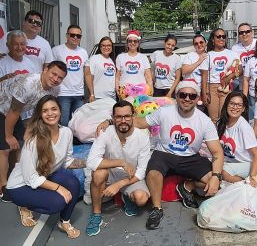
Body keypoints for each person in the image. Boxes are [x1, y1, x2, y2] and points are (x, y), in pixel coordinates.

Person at [97, 79, 224, 229]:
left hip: (190, 157)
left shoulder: (205, 121)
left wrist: (216, 176)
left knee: (213, 181)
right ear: (177, 96)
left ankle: (186, 186)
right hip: (164, 153)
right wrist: (110, 122)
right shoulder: (165, 112)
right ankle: (157, 209)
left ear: (197, 98)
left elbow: (217, 151)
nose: (187, 99)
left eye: (192, 96)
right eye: (183, 95)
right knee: (153, 173)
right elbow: (139, 122)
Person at [6, 95, 84, 238]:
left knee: (73, 182)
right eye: (45, 111)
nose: (50, 113)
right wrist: (59, 188)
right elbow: (31, 178)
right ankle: (23, 205)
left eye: (54, 109)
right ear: (40, 115)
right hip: (20, 186)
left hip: (42, 176)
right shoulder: (34, 141)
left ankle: (64, 222)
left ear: (60, 111)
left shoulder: (66, 132)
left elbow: (67, 161)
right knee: (58, 202)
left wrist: (90, 162)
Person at [0, 61, 67, 202]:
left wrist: (30, 131)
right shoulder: (29, 84)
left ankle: (18, 178)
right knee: (5, 148)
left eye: (60, 77)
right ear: (45, 69)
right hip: (3, 107)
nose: (56, 79)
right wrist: (8, 135)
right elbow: (13, 112)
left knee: (20, 145)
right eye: (54, 74)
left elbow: (39, 112)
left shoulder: (55, 89)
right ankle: (3, 186)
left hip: (13, 112)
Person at [86, 100, 151, 236]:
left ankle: (124, 195)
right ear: (113, 118)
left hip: (130, 177)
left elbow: (141, 171)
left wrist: (119, 184)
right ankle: (96, 214)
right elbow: (91, 162)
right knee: (98, 174)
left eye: (127, 116)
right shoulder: (105, 132)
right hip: (111, 173)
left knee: (141, 199)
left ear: (133, 116)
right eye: (119, 117)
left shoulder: (142, 137)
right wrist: (120, 162)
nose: (123, 120)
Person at [216, 91, 257, 187]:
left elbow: (256, 155)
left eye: (239, 105)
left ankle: (246, 186)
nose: (235, 107)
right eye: (232, 103)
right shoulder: (220, 123)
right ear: (226, 104)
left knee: (222, 170)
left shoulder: (244, 127)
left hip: (253, 164)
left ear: (243, 109)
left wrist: (252, 177)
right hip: (236, 162)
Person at [200, 28, 240, 123]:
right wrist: (204, 93)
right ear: (213, 39)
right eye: (218, 36)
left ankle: (224, 137)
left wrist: (230, 77)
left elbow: (240, 69)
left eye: (223, 36)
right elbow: (204, 76)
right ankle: (215, 137)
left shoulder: (232, 53)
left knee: (224, 116)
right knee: (213, 119)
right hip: (211, 88)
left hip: (226, 87)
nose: (221, 38)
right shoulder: (207, 55)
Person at [52, 24, 88, 126]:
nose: (75, 37)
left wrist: (88, 93)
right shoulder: (57, 50)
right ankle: (63, 142)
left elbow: (86, 74)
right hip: (62, 93)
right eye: (72, 35)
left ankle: (72, 141)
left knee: (77, 124)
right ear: (67, 35)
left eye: (78, 36)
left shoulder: (83, 52)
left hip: (78, 94)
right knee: (63, 123)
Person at [115, 30, 153, 97]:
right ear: (127, 43)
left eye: (135, 41)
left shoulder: (143, 57)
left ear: (138, 43)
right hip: (125, 92)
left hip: (141, 93)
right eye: (130, 41)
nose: (132, 43)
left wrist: (151, 89)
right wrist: (117, 88)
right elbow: (117, 76)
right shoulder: (120, 57)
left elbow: (148, 77)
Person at [84, 36, 116, 101]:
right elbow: (88, 76)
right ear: (100, 47)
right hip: (98, 96)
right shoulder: (94, 58)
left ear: (112, 47)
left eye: (108, 45)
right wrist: (92, 94)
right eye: (103, 45)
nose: (106, 47)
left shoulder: (112, 60)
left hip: (112, 97)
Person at [231, 23, 256, 91]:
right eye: (241, 32)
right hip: (243, 86)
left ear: (252, 32)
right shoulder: (234, 48)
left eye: (247, 31)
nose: (244, 34)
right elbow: (236, 67)